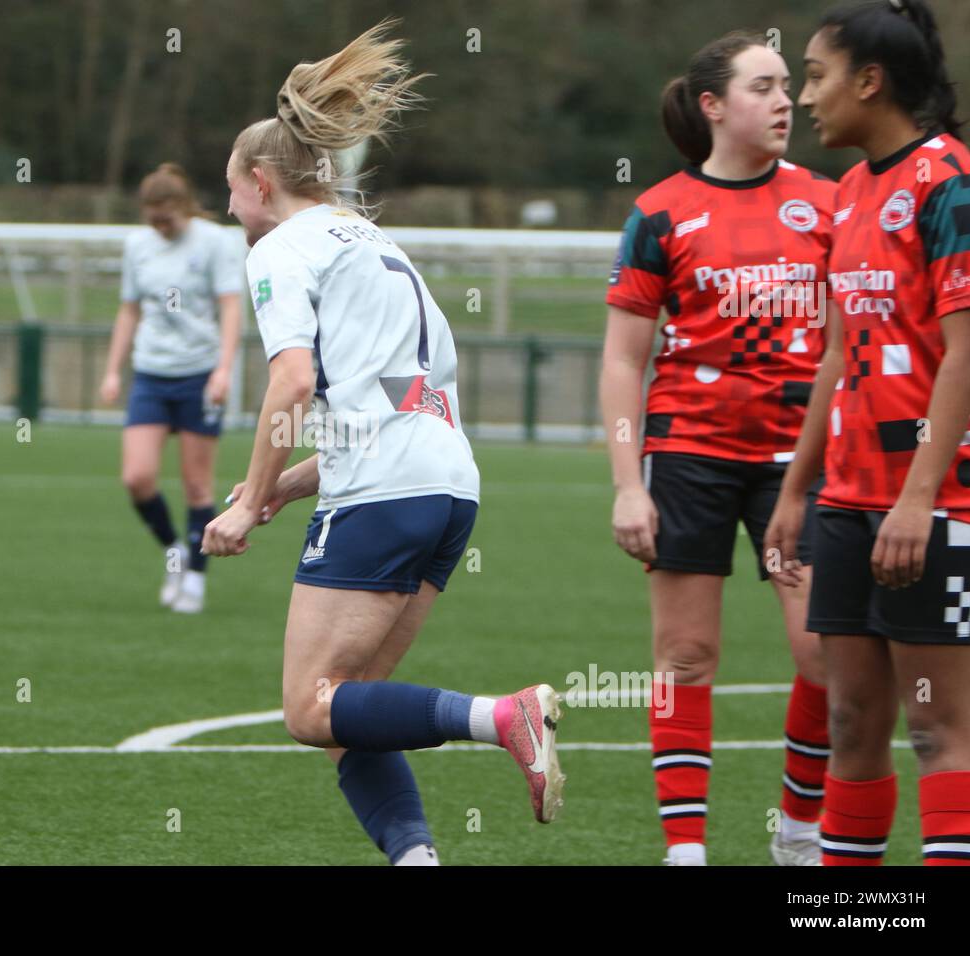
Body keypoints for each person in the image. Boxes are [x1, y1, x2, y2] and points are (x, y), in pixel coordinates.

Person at [201, 19, 565, 866]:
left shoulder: (282, 250)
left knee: (307, 708)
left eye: (230, 191)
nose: (227, 210)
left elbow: (291, 384)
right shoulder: (377, 245)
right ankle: (417, 859)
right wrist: (287, 489)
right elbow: (394, 402)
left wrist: (249, 500)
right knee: (350, 707)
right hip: (448, 484)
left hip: (385, 492)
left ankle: (500, 716)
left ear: (260, 182)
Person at [601, 31, 837, 866]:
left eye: (787, 86)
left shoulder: (828, 201)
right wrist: (629, 485)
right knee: (686, 657)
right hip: (689, 455)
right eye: (765, 87)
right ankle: (686, 850)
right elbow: (625, 359)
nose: (787, 103)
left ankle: (800, 829)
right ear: (712, 106)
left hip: (799, 464)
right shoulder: (660, 211)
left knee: (823, 655)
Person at [765, 0, 970, 866]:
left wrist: (918, 500)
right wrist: (793, 490)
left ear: (870, 80)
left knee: (937, 727)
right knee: (852, 721)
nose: (805, 97)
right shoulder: (850, 193)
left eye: (815, 75)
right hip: (845, 500)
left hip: (938, 502)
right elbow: (837, 357)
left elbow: (967, 351)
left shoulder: (950, 182)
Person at [100, 163, 245, 613]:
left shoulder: (215, 242)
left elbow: (230, 307)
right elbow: (129, 310)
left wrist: (223, 369)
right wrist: (112, 369)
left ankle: (197, 580)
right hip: (150, 373)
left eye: (169, 219)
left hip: (198, 374)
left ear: (185, 209)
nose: (161, 228)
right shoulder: (137, 246)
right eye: (153, 220)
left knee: (197, 486)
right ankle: (175, 552)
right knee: (137, 477)